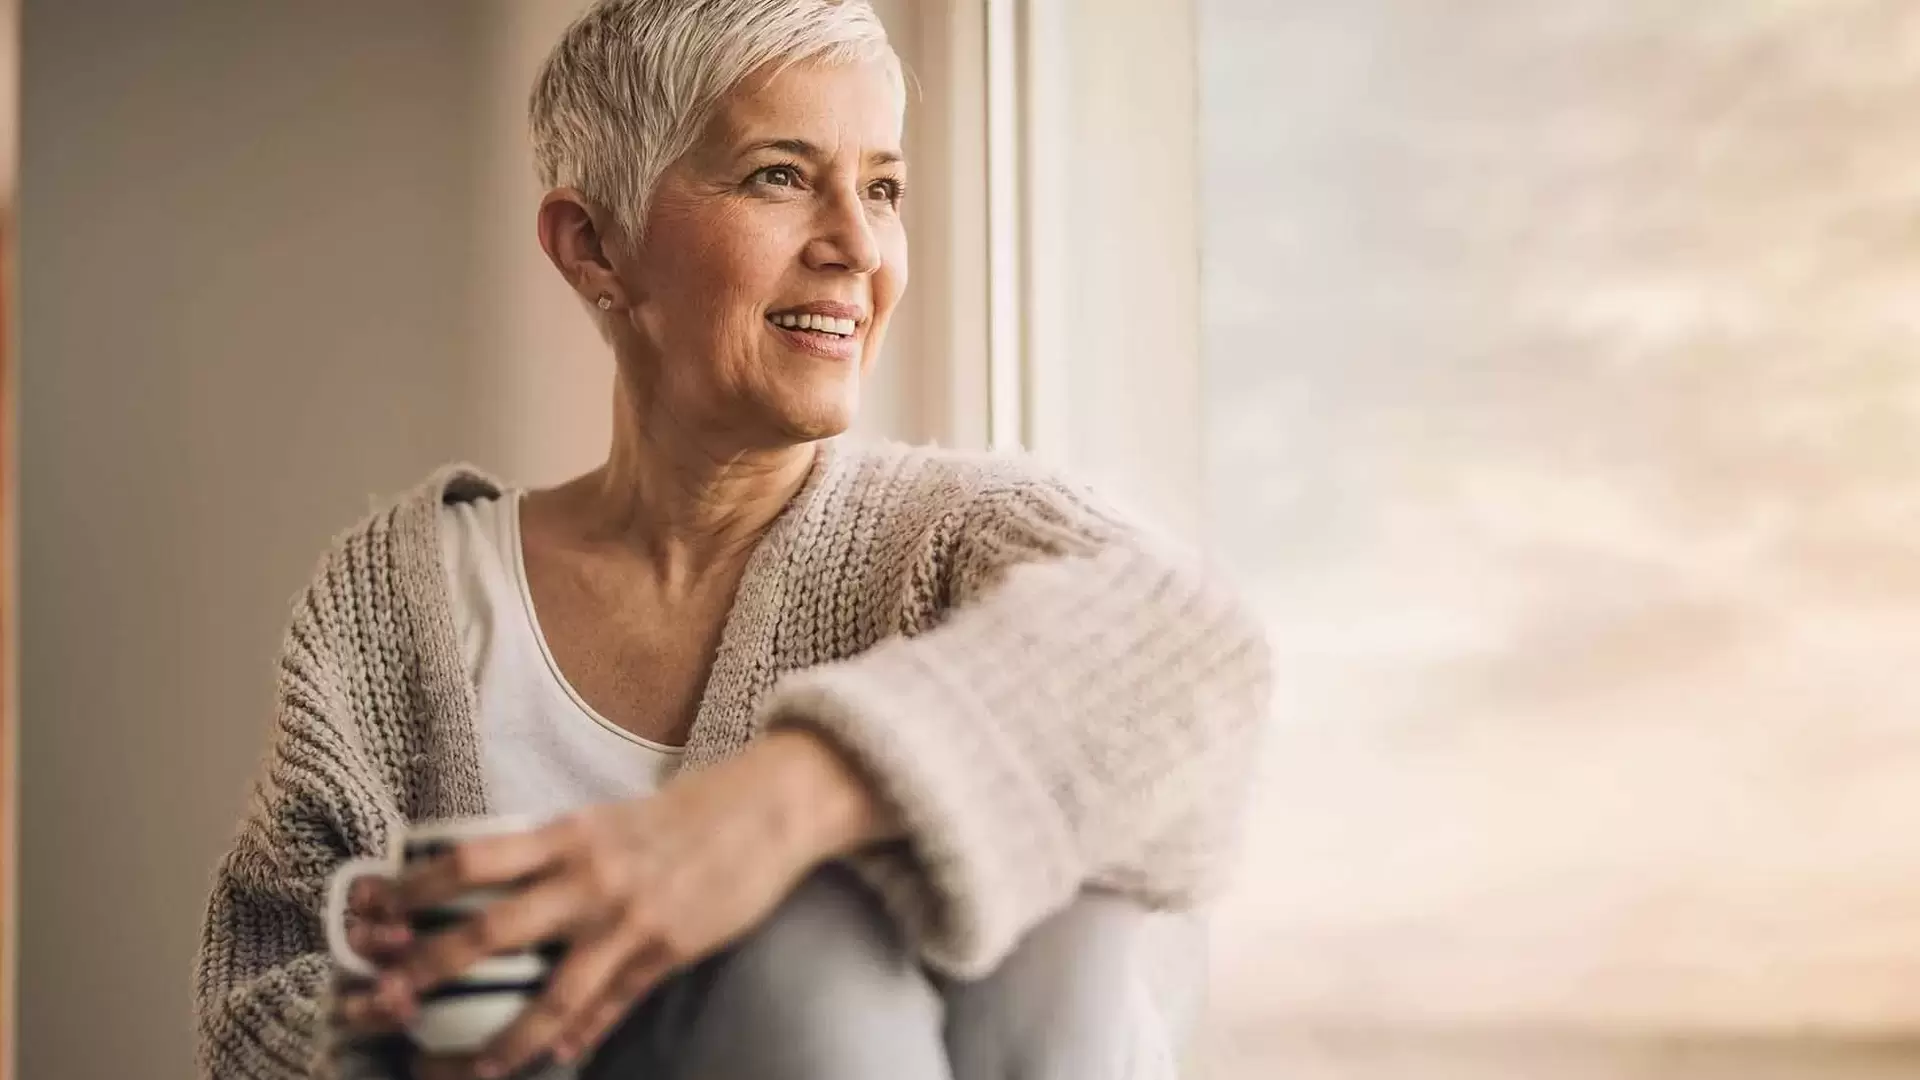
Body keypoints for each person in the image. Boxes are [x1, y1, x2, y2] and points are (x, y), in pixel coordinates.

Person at [193, 1, 1271, 1077]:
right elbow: (260, 1003)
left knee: (971, 907)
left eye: (883, 188)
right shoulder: (399, 601)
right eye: (780, 176)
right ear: (595, 245)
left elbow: (1196, 643)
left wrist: (752, 821)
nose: (856, 246)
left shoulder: (954, 541)